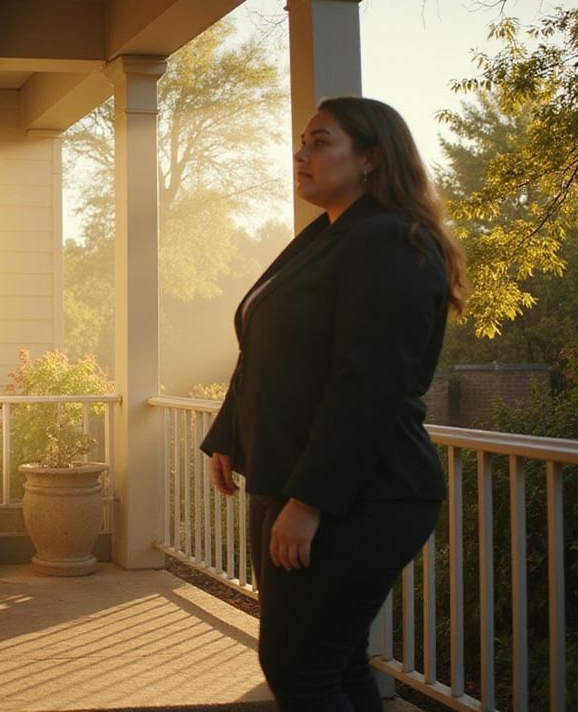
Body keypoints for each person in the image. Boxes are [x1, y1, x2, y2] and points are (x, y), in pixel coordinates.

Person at [200, 96, 467, 711]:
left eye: (320, 142)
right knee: (333, 662)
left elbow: (368, 383)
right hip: (292, 481)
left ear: (372, 157)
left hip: (363, 494)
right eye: (302, 142)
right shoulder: (328, 236)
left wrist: (310, 500)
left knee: (299, 669)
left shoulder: (391, 243)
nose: (301, 154)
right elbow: (265, 347)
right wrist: (229, 434)